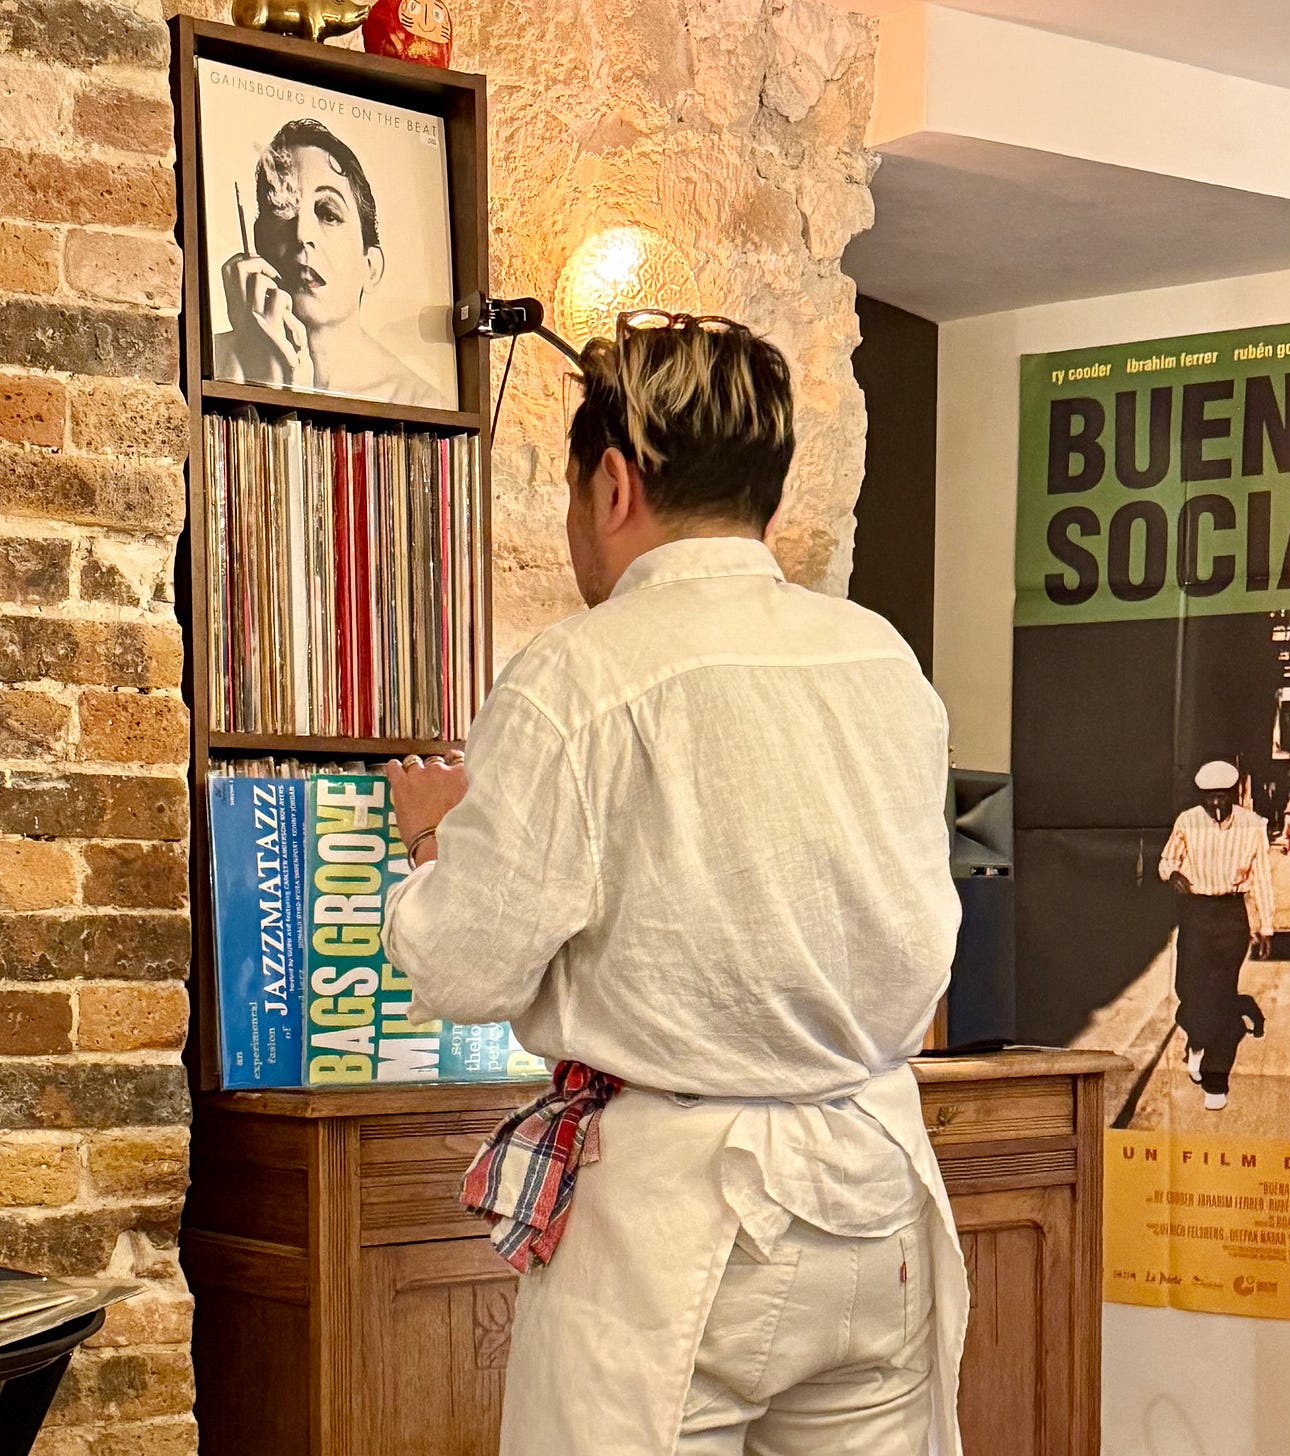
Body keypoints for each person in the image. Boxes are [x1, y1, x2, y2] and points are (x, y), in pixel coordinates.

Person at [380, 312, 969, 1456]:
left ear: (612, 483)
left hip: (676, 1215)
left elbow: (464, 962)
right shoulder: (880, 658)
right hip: (874, 1183)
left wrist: (436, 842)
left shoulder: (578, 673)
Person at [214, 117, 447, 407]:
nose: (302, 234)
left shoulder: (418, 402)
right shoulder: (210, 362)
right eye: (284, 210)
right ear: (258, 241)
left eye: (328, 214)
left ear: (370, 267)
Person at [1159, 760, 1274, 1112]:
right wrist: (1173, 873)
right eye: (1209, 798)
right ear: (1201, 796)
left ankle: (1215, 1078)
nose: (1216, 805)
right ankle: (1197, 1040)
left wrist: (1265, 926)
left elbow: (1262, 878)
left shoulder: (1254, 826)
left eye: (1222, 797)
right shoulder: (1187, 821)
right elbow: (1166, 860)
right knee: (1190, 989)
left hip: (1230, 916)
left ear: (1236, 793)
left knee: (1223, 997)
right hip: (1195, 914)